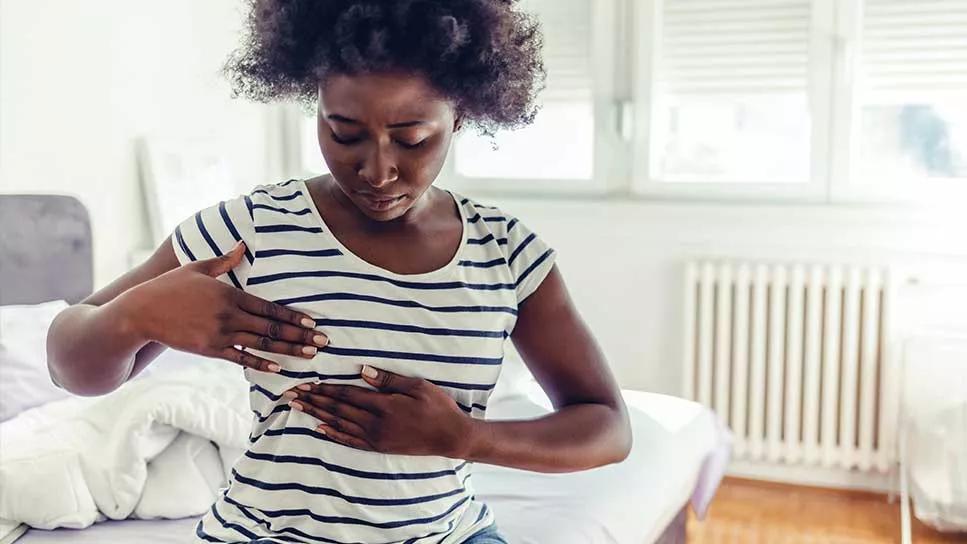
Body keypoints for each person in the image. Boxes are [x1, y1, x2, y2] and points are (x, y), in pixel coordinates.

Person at [46, 1, 632, 542]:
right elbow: (68, 362)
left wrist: (465, 439)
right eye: (343, 133)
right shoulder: (251, 227)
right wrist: (136, 315)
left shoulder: (506, 252)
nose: (377, 170)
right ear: (313, 103)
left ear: (464, 112)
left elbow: (607, 428)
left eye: (412, 139)